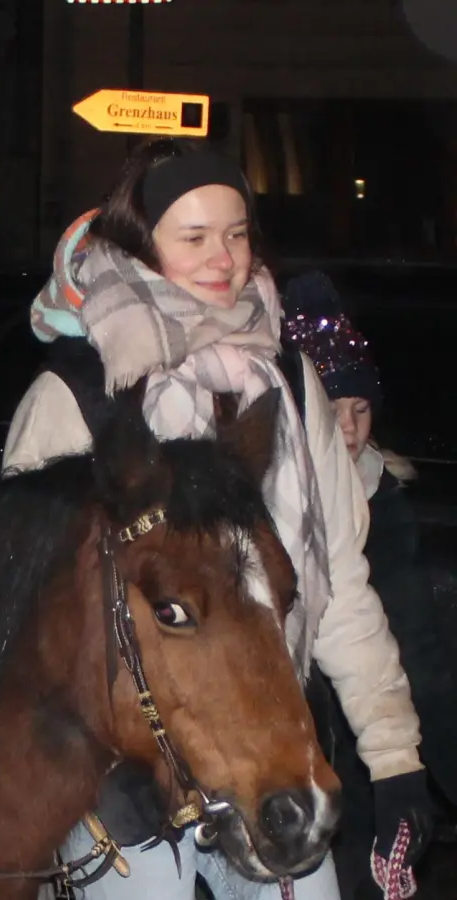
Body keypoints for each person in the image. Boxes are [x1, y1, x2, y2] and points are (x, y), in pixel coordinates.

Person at [3, 139, 430, 899]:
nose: (222, 259)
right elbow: (23, 617)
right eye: (193, 237)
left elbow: (341, 591)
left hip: (265, 746)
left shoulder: (289, 387)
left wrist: (395, 757)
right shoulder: (77, 394)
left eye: (236, 234)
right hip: (120, 777)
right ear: (141, 243)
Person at [282, 271, 457, 899]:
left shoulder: (382, 499)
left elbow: (415, 652)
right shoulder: (268, 499)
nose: (349, 430)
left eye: (359, 410)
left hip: (364, 753)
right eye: (332, 411)